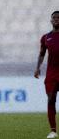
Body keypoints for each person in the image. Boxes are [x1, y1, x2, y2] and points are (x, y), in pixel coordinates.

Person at [34, 11, 59, 139]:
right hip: (52, 74)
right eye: (54, 18)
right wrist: (38, 68)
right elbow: (42, 53)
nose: (56, 19)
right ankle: (53, 131)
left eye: (58, 18)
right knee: (51, 100)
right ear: (51, 20)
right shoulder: (46, 37)